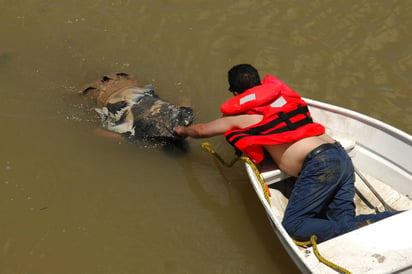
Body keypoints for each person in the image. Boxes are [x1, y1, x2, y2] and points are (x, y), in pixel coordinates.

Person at [174, 64, 397, 243]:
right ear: (260, 83)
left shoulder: (243, 117)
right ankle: (393, 219)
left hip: (319, 165)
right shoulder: (287, 101)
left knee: (295, 226)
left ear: (235, 93)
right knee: (342, 224)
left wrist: (182, 131)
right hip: (341, 158)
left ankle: (373, 221)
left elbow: (202, 130)